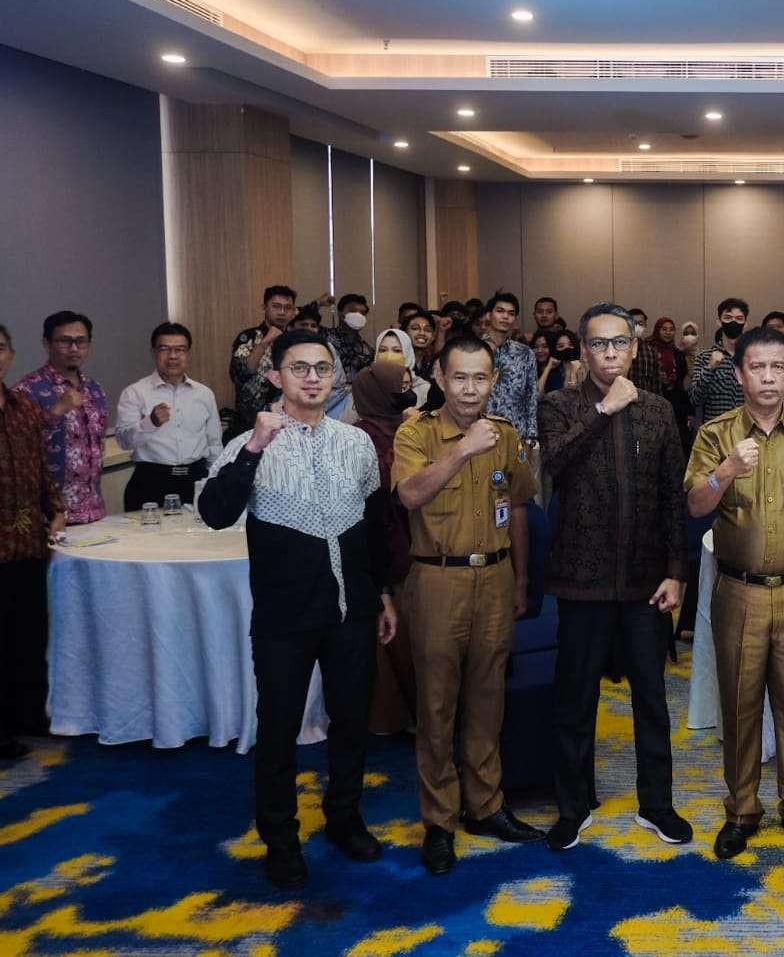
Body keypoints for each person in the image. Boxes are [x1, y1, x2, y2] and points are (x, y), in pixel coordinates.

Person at [198, 329, 398, 890]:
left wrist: (382, 594)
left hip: (352, 611)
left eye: (322, 368)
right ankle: (281, 839)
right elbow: (214, 513)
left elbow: (374, 526)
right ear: (275, 378)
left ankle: (345, 818)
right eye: (299, 368)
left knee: (352, 722)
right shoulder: (249, 441)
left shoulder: (356, 442)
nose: (312, 377)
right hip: (285, 618)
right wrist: (255, 447)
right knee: (280, 729)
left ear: (335, 376)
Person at [684, 325, 784, 860]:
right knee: (740, 706)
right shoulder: (716, 433)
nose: (769, 377)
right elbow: (695, 506)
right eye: (757, 367)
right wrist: (728, 469)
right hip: (738, 593)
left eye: (778, 367)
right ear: (739, 374)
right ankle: (742, 811)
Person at [536, 304, 691, 851]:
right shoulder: (558, 405)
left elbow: (674, 495)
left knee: (653, 699)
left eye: (618, 343)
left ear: (633, 348)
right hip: (582, 579)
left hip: (647, 582)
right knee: (575, 700)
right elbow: (554, 466)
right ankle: (572, 807)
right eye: (598, 344)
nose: (609, 353)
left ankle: (658, 804)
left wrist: (676, 571)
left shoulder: (657, 411)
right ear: (583, 349)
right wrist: (603, 410)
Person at [392, 335, 545, 874]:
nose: (471, 388)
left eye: (481, 378)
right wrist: (461, 450)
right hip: (438, 580)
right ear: (439, 375)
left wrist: (522, 580)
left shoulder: (504, 436)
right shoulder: (418, 432)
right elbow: (408, 495)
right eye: (460, 377)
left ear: (494, 381)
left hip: (496, 578)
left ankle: (485, 805)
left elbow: (520, 505)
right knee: (436, 705)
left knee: (488, 697)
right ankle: (439, 819)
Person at [0, 324, 65, 760]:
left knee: (28, 633)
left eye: (0, 347)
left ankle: (29, 715)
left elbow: (39, 466)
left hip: (27, 540)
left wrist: (55, 507)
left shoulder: (21, 405)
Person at [350, 361, 418, 734]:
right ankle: (396, 717)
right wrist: (409, 434)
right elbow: (385, 484)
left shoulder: (399, 426)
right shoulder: (363, 435)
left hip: (412, 537)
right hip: (387, 545)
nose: (405, 394)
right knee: (397, 634)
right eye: (398, 388)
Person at [115, 322, 223, 510]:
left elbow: (214, 443)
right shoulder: (135, 393)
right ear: (153, 352)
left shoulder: (204, 394)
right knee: (147, 539)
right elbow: (124, 442)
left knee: (200, 539)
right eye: (165, 349)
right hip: (150, 481)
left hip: (195, 480)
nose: (173, 356)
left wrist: (216, 481)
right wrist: (151, 423)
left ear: (188, 353)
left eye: (180, 350)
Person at [17, 311, 107, 524]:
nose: (74, 348)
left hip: (94, 512)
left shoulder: (95, 390)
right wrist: (55, 412)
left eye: (81, 341)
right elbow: (17, 449)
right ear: (47, 344)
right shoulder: (27, 390)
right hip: (49, 519)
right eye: (65, 341)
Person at [230, 286, 300, 436]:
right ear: (264, 308)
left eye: (287, 308)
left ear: (293, 311)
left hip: (289, 422)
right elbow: (241, 372)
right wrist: (265, 342)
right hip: (250, 422)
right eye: (276, 306)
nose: (282, 312)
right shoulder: (248, 337)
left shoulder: (296, 341)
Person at [479, 291, 540, 445]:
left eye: (511, 313)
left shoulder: (525, 353)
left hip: (517, 432)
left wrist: (532, 433)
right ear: (488, 315)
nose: (505, 317)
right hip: (480, 431)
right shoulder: (473, 350)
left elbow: (532, 395)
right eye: (500, 311)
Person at [691, 297, 750, 422]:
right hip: (715, 433)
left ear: (745, 324)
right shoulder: (704, 357)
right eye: (728, 318)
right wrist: (709, 368)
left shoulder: (755, 359)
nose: (733, 322)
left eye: (739, 319)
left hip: (748, 430)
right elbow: (695, 399)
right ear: (719, 321)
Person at [375, 327, 434, 413]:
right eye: (383, 350)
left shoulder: (424, 390)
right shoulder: (366, 387)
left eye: (397, 350)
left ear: (407, 353)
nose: (389, 355)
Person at [325, 293, 375, 379]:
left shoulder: (368, 351)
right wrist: (318, 303)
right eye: (353, 311)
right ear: (340, 314)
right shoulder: (325, 338)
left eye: (362, 313)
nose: (358, 316)